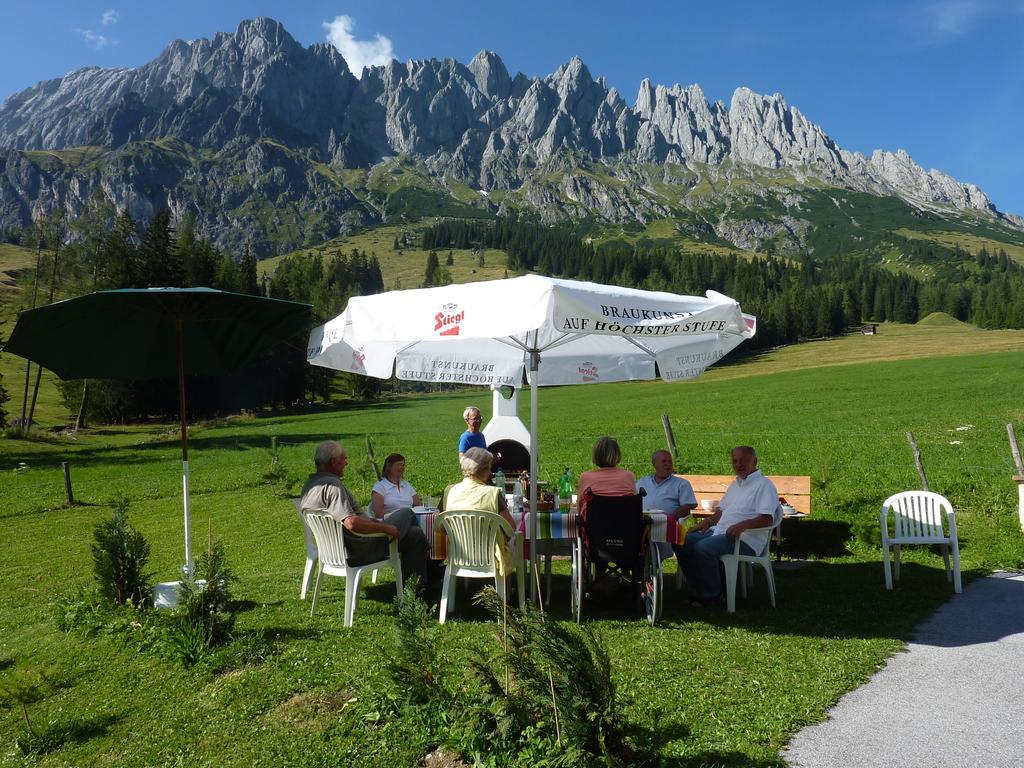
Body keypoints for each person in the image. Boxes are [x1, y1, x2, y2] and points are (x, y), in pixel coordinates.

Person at [300, 440, 428, 592]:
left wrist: (371, 521)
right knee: (407, 513)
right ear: (333, 462)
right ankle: (431, 562)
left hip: (338, 550)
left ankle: (415, 588)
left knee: (415, 534)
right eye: (343, 459)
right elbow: (351, 523)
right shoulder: (332, 487)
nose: (346, 463)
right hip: (360, 549)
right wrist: (384, 527)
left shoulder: (309, 486)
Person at [674, 446, 777, 607]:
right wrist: (707, 522)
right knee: (681, 541)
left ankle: (713, 595)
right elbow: (721, 511)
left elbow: (767, 519)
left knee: (703, 548)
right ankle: (702, 590)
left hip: (746, 539)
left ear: (754, 461)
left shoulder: (764, 485)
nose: (738, 465)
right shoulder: (736, 484)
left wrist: (743, 525)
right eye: (735, 461)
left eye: (743, 460)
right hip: (720, 531)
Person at [636, 450, 697, 560]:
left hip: (665, 525)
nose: (668, 464)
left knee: (653, 533)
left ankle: (650, 563)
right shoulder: (642, 482)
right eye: (664, 461)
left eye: (670, 461)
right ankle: (634, 564)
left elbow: (688, 506)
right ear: (654, 463)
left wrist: (670, 518)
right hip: (641, 523)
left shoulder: (681, 484)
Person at [445, 447, 515, 528]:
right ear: (484, 471)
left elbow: (443, 527)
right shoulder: (493, 493)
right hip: (490, 541)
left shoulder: (451, 491)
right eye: (489, 469)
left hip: (457, 541)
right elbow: (511, 527)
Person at [577, 436, 636, 518]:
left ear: (596, 455)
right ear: (618, 455)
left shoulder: (586, 477)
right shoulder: (629, 476)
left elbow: (579, 508)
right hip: (625, 528)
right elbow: (634, 506)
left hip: (593, 529)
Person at [370, 453, 422, 518]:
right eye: (399, 465)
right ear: (389, 467)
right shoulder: (380, 487)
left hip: (410, 518)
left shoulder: (406, 485)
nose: (402, 468)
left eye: (403, 465)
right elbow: (379, 514)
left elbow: (419, 505)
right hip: (391, 522)